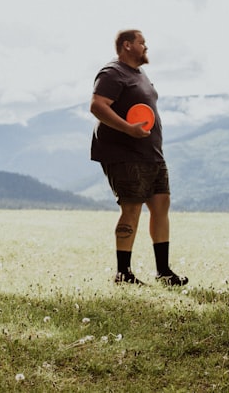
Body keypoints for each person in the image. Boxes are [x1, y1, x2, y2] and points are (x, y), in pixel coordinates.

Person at [90, 29, 188, 286]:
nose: (146, 47)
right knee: (131, 207)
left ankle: (163, 272)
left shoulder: (139, 74)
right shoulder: (112, 73)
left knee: (161, 204)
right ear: (127, 45)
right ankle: (123, 274)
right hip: (124, 154)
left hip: (151, 154)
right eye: (142, 42)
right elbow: (97, 105)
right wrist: (128, 129)